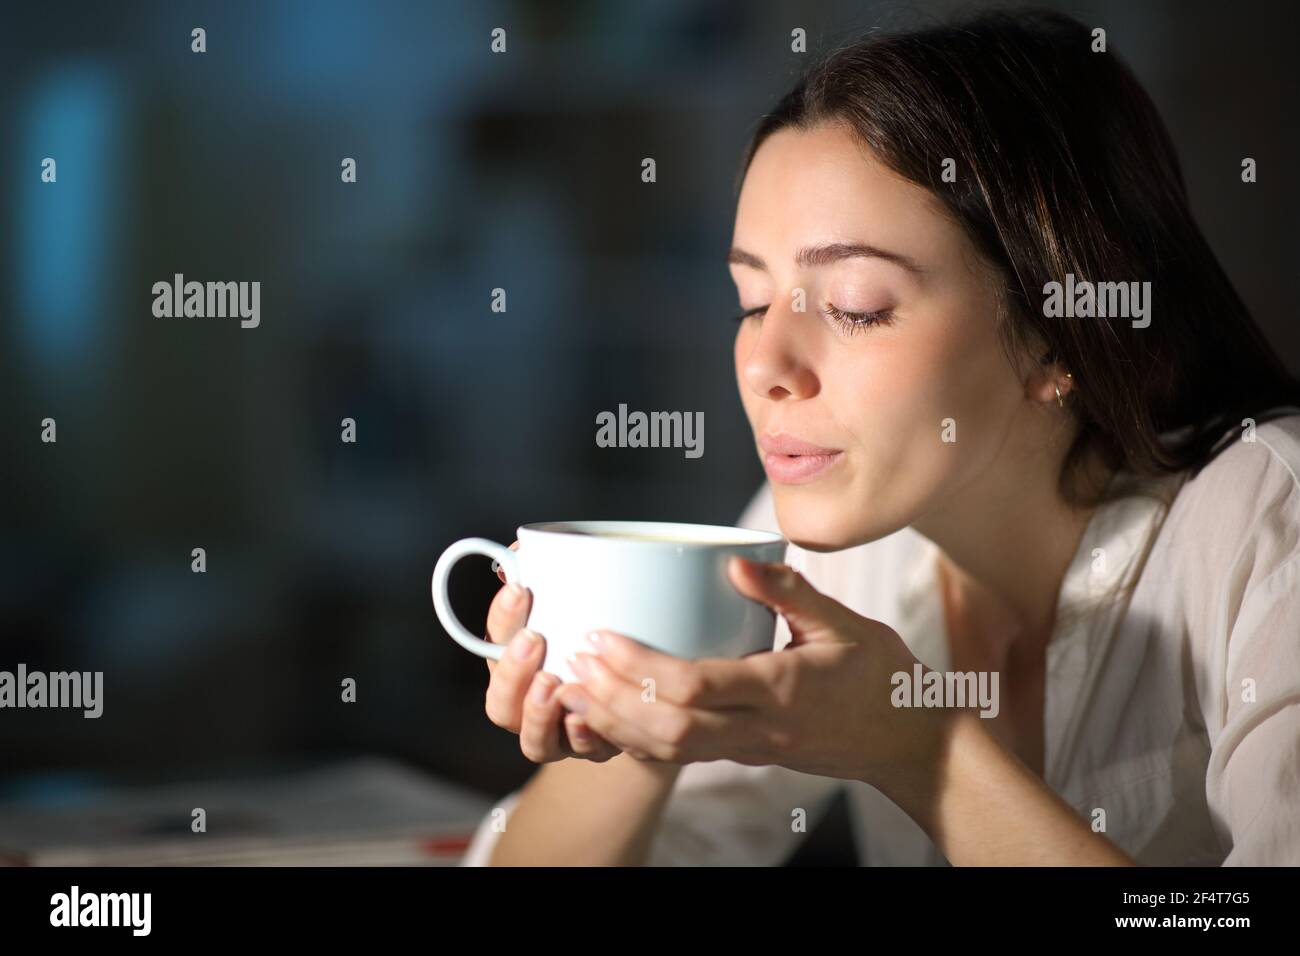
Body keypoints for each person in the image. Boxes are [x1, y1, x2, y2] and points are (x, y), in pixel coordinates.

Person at [459, 9, 1300, 866]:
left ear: (1059, 334)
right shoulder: (834, 533)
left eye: (856, 306)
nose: (764, 364)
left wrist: (919, 747)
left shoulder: (1267, 523)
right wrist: (637, 708)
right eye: (752, 302)